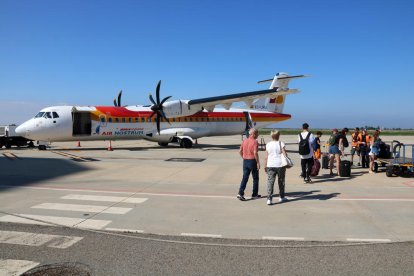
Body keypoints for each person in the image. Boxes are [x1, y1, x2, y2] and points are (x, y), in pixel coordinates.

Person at [263, 129, 288, 205]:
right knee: (281, 181)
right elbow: (285, 155)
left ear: (271, 136)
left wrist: (265, 166)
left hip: (270, 165)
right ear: (278, 136)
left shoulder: (268, 144)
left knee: (270, 182)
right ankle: (281, 197)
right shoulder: (281, 143)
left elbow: (266, 157)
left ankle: (269, 199)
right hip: (280, 165)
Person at [237, 128, 261, 200]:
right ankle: (254, 194)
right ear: (253, 134)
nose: (258, 135)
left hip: (245, 161)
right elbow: (255, 153)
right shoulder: (255, 142)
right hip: (252, 161)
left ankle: (240, 193)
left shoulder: (244, 141)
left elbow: (240, 151)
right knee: (255, 178)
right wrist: (258, 162)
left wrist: (244, 157)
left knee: (245, 177)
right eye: (257, 134)